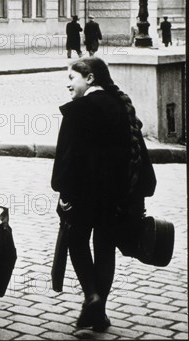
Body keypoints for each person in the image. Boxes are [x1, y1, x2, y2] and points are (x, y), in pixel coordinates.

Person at [51, 57, 156, 332]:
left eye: (72, 78)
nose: (68, 84)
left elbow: (68, 158)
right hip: (116, 195)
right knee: (105, 246)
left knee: (76, 241)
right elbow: (137, 152)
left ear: (90, 78)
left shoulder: (80, 110)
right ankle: (100, 311)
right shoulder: (122, 106)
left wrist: (63, 193)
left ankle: (91, 296)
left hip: (85, 194)